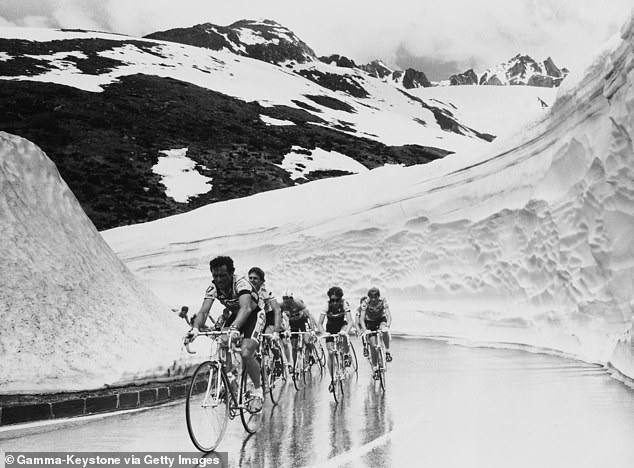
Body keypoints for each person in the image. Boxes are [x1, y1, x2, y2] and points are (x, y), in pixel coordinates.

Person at [186, 256, 264, 410]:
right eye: (215, 276)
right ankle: (229, 380)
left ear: (232, 273)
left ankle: (258, 391)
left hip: (253, 315)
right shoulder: (213, 287)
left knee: (246, 352)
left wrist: (234, 327)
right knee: (222, 342)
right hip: (236, 315)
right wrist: (195, 329)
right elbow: (203, 312)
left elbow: (247, 308)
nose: (219, 279)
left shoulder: (241, 282)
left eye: (222, 275)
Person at [248, 267, 291, 374]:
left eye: (255, 278)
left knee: (268, 337)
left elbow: (277, 310)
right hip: (256, 316)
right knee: (254, 343)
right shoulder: (246, 290)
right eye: (250, 278)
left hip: (269, 316)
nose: (252, 280)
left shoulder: (267, 291)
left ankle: (277, 359)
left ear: (262, 281)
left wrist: (276, 331)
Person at [318, 286, 354, 389]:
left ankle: (346, 354)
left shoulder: (344, 303)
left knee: (343, 334)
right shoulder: (326, 305)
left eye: (337, 300)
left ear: (340, 298)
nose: (334, 302)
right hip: (330, 328)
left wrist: (346, 332)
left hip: (342, 325)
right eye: (332, 300)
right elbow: (319, 323)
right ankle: (332, 378)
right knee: (330, 352)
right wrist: (323, 333)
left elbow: (350, 321)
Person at [281, 290, 323, 368]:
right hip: (293, 323)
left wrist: (313, 330)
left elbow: (310, 316)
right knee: (294, 347)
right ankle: (294, 365)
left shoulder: (298, 303)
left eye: (287, 298)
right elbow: (279, 317)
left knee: (307, 341)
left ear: (292, 298)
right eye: (284, 298)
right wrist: (285, 329)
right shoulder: (282, 305)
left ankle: (311, 354)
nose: (285, 301)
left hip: (303, 322)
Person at [359, 286, 393, 379]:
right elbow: (361, 319)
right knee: (373, 346)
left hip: (381, 320)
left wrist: (388, 326)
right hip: (370, 323)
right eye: (371, 297)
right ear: (369, 297)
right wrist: (365, 330)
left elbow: (389, 315)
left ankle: (387, 351)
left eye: (375, 297)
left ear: (379, 296)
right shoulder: (365, 303)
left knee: (384, 330)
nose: (373, 299)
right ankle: (375, 368)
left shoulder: (383, 300)